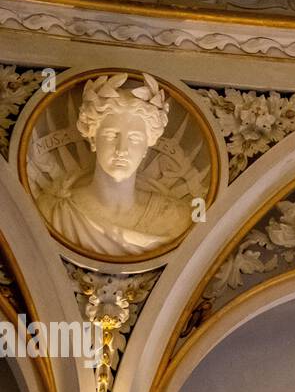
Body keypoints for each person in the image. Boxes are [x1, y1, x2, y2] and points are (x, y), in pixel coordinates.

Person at [38, 73, 190, 256]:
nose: (122, 149)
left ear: (146, 147)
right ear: (93, 139)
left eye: (134, 139)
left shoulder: (175, 218)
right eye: (111, 135)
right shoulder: (56, 213)